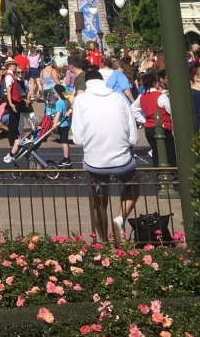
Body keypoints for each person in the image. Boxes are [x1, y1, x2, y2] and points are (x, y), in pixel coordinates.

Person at [70, 67, 139, 239]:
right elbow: (133, 137)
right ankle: (120, 217)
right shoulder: (118, 98)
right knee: (133, 183)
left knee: (98, 201)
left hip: (95, 162)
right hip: (122, 160)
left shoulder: (80, 100)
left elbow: (78, 139)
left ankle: (104, 240)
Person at [47, 83, 73, 167]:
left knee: (64, 142)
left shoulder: (59, 102)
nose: (53, 93)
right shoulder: (64, 101)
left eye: (54, 92)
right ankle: (67, 158)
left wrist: (54, 124)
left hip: (62, 125)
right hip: (66, 124)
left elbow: (58, 114)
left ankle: (66, 159)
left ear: (58, 92)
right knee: (65, 142)